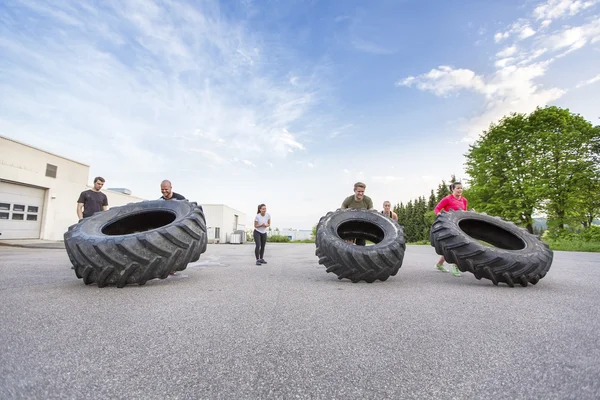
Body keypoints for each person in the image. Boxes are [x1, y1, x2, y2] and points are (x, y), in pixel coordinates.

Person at [433, 182, 468, 277]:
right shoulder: (447, 199)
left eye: (461, 188)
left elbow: (464, 213)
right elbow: (437, 209)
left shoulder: (464, 200)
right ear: (453, 189)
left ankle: (439, 264)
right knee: (455, 246)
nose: (460, 190)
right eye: (458, 188)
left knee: (451, 248)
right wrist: (439, 214)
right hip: (448, 226)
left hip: (459, 226)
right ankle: (455, 266)